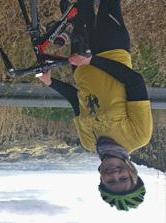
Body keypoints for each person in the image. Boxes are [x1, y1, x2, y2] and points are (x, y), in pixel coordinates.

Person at [38, 0, 153, 211]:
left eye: (111, 182)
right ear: (132, 171)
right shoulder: (139, 136)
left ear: (101, 180)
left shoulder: (88, 143)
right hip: (112, 49)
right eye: (123, 178)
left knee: (74, 7)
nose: (115, 175)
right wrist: (91, 61)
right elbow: (134, 81)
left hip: (80, 65)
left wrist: (51, 82)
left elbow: (77, 100)